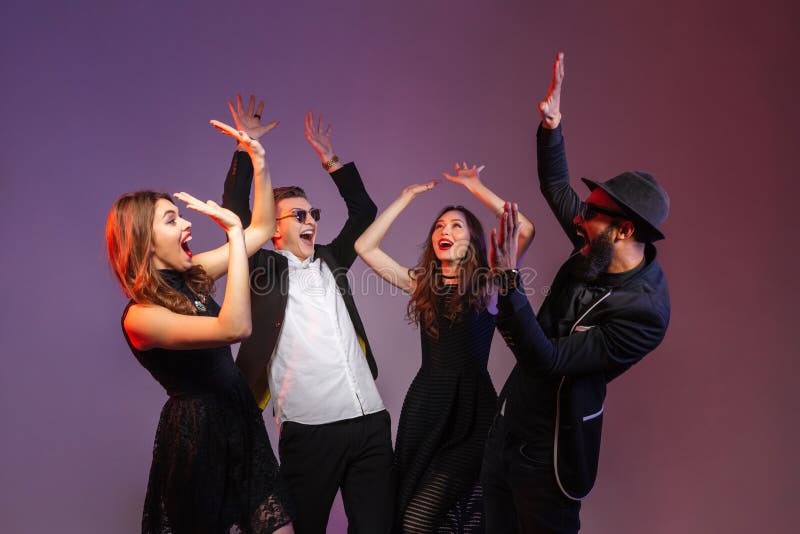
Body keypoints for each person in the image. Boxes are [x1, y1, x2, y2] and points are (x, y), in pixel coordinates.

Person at [480, 52, 671, 533]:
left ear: (624, 230)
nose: (578, 218)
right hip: (507, 431)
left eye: (591, 213)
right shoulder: (598, 244)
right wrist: (551, 125)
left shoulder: (645, 314)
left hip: (550, 459)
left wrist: (507, 280)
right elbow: (556, 186)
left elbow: (547, 359)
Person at [106, 118, 294, 533]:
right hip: (199, 438)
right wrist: (232, 236)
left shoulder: (193, 274)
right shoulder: (141, 316)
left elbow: (261, 229)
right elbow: (234, 328)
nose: (187, 224)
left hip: (240, 420)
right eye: (171, 220)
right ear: (144, 241)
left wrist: (258, 160)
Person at [221, 96, 393, 534]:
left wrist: (331, 161)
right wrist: (246, 148)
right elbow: (238, 218)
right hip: (311, 429)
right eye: (298, 215)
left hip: (370, 420)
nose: (311, 220)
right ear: (275, 228)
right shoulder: (262, 269)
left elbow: (364, 213)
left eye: (313, 213)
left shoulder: (333, 259)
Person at [353, 164, 534, 533]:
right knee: (417, 517)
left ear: (473, 240)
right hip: (426, 407)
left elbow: (526, 229)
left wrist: (476, 186)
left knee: (420, 521)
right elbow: (364, 247)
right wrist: (404, 199)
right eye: (438, 226)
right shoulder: (422, 283)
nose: (444, 231)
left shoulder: (489, 282)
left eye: (455, 226)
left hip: (472, 411)